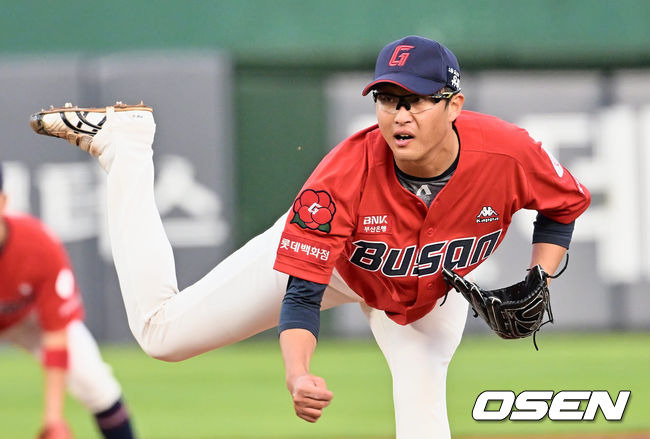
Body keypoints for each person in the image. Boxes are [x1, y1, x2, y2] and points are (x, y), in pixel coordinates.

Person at [30, 35, 590, 438]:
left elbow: (562, 206)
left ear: (454, 105)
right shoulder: (343, 175)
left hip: (425, 292)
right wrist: (298, 374)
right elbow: (301, 294)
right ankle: (126, 147)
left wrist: (541, 272)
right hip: (332, 269)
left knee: (424, 420)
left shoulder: (509, 153)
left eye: (415, 100)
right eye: (388, 99)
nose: (399, 115)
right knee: (160, 336)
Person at [0, 164, 136, 439]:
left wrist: (53, 418)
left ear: (3, 201)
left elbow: (56, 336)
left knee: (93, 381)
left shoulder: (37, 244)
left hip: (28, 317)